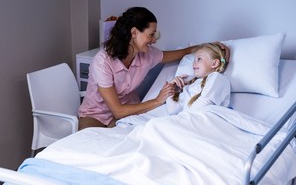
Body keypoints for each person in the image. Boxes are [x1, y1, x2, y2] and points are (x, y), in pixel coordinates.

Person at [78, 7, 229, 130]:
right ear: (134, 32)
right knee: (86, 148)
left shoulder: (147, 55)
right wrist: (158, 100)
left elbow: (182, 53)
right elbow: (117, 111)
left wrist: (208, 47)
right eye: (151, 35)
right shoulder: (103, 62)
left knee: (124, 144)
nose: (154, 40)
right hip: (96, 115)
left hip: (128, 112)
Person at [166, 43, 230, 115]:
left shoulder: (218, 78)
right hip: (189, 119)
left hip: (201, 120)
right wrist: (171, 89)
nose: (193, 63)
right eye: (194, 60)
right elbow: (172, 110)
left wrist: (181, 118)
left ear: (214, 63)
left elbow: (203, 106)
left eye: (199, 59)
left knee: (155, 123)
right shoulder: (191, 86)